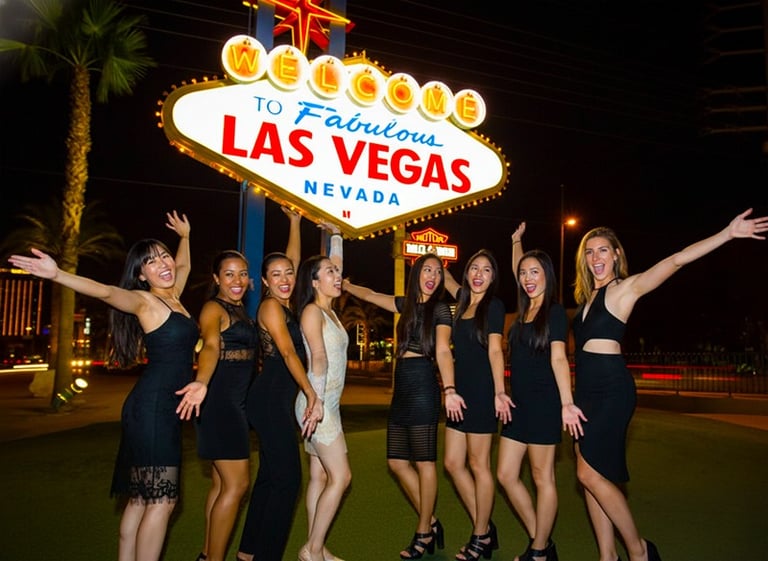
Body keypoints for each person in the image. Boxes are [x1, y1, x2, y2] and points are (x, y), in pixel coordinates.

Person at [570, 208, 768, 561]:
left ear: (616, 255)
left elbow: (675, 261)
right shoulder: (584, 301)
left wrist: (727, 233)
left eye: (603, 250)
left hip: (612, 391)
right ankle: (606, 556)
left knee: (588, 472)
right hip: (584, 393)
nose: (596, 257)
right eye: (589, 251)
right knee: (590, 475)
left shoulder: (626, 288)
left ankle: (640, 551)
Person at [9, 211, 197, 561]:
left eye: (164, 256)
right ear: (141, 275)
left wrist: (184, 238)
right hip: (153, 408)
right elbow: (107, 292)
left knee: (141, 498)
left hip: (153, 408)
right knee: (162, 499)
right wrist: (58, 274)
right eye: (151, 262)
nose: (164, 264)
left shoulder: (175, 296)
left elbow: (183, 267)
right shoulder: (146, 301)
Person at [342, 253, 462, 559]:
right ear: (417, 274)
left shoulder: (441, 311)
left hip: (423, 383)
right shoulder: (405, 305)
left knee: (424, 463)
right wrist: (347, 286)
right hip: (403, 386)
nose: (432, 276)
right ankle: (432, 522)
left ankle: (423, 532)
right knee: (396, 462)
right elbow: (371, 295)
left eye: (437, 271)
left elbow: (444, 352)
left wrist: (449, 389)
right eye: (427, 270)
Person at [236, 208, 324, 561]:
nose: (285, 277)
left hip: (273, 400)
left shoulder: (288, 304)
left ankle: (248, 552)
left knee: (271, 479)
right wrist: (310, 391)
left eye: (288, 273)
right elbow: (288, 354)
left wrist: (294, 222)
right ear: (265, 281)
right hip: (270, 398)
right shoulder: (271, 307)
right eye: (276, 274)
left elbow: (295, 258)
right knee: (288, 482)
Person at [497, 224, 586, 561]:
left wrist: (566, 403)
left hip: (546, 404)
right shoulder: (523, 312)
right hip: (518, 406)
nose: (528, 277)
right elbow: (519, 264)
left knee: (540, 476)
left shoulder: (555, 313)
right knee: (506, 474)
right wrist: (516, 240)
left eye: (535, 272)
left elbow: (560, 358)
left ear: (547, 275)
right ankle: (543, 540)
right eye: (523, 273)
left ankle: (538, 551)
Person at [175, 250, 258, 561]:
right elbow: (210, 345)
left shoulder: (240, 311)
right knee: (238, 486)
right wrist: (202, 382)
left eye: (242, 273)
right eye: (229, 274)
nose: (236, 280)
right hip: (219, 403)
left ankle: (207, 554)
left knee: (222, 484)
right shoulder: (214, 308)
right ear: (216, 279)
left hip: (232, 403)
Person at [443, 249, 512, 561]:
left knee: (478, 465)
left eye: (486, 269)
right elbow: (445, 279)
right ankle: (484, 528)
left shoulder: (493, 306)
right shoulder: (460, 303)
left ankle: (480, 533)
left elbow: (496, 351)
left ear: (493, 277)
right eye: (474, 268)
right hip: (459, 393)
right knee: (453, 464)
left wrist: (500, 392)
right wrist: (432, 258)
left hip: (484, 393)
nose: (479, 274)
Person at [294, 230, 351, 561]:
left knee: (318, 474)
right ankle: (312, 550)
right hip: (317, 403)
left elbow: (337, 261)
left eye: (336, 271)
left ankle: (318, 547)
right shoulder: (312, 312)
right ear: (314, 282)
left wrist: (336, 234)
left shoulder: (329, 310)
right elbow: (318, 357)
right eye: (329, 272)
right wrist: (315, 403)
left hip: (327, 404)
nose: (337, 275)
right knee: (341, 477)